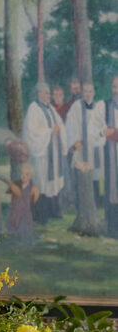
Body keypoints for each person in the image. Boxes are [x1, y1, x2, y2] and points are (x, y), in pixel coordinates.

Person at [22, 83, 66, 223]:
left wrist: (60, 129)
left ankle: (54, 211)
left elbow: (60, 125)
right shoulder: (33, 109)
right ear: (39, 94)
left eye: (49, 93)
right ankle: (40, 216)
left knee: (53, 182)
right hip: (42, 153)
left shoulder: (51, 108)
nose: (48, 96)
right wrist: (49, 131)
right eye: (46, 93)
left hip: (54, 150)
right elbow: (31, 131)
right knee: (42, 182)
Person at [66, 82, 104, 234]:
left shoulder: (98, 107)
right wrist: (75, 141)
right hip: (81, 146)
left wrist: (99, 136)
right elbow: (70, 125)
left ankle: (95, 203)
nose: (88, 94)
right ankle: (80, 205)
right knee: (81, 173)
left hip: (94, 146)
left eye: (90, 91)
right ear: (82, 92)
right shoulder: (76, 106)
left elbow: (102, 124)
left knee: (94, 175)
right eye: (86, 91)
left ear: (94, 92)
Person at [8, 163, 39, 244]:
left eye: (27, 174)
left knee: (25, 225)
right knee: (15, 222)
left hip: (25, 210)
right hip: (17, 209)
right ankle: (16, 237)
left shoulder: (32, 187)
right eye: (22, 173)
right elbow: (12, 193)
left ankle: (26, 238)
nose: (24, 176)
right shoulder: (17, 184)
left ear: (31, 176)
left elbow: (35, 198)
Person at [103, 75, 118, 238]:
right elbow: (99, 127)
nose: (117, 91)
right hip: (111, 156)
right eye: (114, 87)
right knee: (112, 192)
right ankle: (113, 229)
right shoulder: (105, 106)